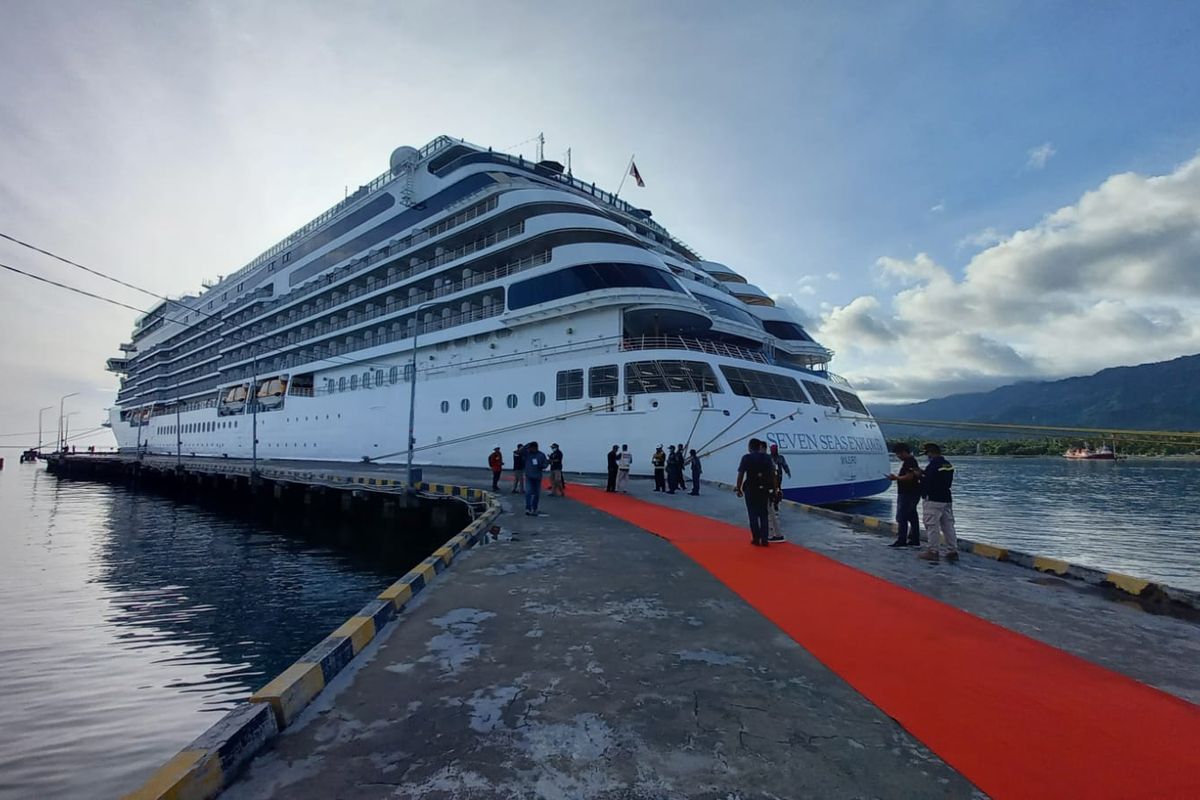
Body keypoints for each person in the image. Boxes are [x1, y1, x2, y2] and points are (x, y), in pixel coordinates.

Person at [918, 443, 958, 562]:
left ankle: (933, 551)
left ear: (931, 452)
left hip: (933, 499)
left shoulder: (933, 465)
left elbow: (929, 482)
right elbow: (939, 479)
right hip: (946, 499)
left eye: (927, 454)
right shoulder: (947, 464)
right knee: (948, 526)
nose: (927, 456)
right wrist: (925, 473)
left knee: (932, 526)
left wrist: (920, 476)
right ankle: (952, 551)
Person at [735, 438, 776, 546]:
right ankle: (765, 539)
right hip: (764, 489)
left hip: (750, 489)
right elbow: (772, 474)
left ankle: (756, 539)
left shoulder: (746, 458)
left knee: (752, 514)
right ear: (759, 447)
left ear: (750, 447)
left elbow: (741, 474)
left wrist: (738, 488)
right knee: (763, 514)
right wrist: (774, 489)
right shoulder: (767, 458)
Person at [886, 443, 922, 547]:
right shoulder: (911, 461)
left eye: (898, 454)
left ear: (904, 452)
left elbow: (909, 477)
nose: (898, 457)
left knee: (902, 516)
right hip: (913, 492)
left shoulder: (909, 462)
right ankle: (914, 539)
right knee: (912, 516)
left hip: (908, 493)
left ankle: (902, 540)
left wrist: (896, 478)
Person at [766, 441, 786, 542]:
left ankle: (776, 503)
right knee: (776, 491)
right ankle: (775, 502)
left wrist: (787, 471)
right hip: (774, 479)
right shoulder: (769, 458)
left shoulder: (780, 457)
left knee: (777, 491)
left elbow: (785, 465)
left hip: (778, 477)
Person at [522, 441, 549, 516]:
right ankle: (528, 508)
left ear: (536, 448)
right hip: (529, 476)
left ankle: (534, 508)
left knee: (536, 493)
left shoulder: (541, 455)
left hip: (537, 476)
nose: (530, 449)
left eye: (531, 448)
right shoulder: (527, 454)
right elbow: (520, 451)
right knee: (528, 492)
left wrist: (543, 466)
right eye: (529, 448)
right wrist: (527, 444)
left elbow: (545, 464)